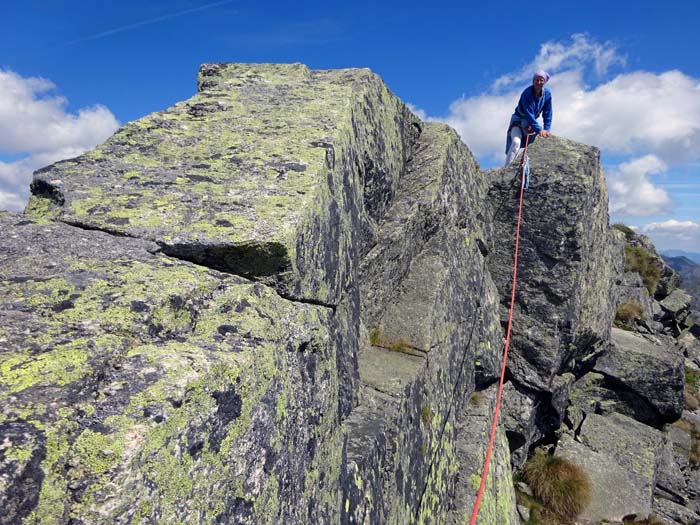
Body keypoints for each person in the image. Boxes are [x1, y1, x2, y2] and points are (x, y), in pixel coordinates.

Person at [504, 70, 553, 166]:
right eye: (536, 80)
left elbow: (548, 112)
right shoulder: (527, 94)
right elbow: (528, 113)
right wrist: (539, 129)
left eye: (541, 80)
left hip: (531, 124)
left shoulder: (547, 95)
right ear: (533, 81)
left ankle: (526, 165)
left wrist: (546, 129)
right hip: (518, 122)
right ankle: (507, 169)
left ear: (545, 82)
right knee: (516, 142)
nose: (538, 82)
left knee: (537, 145)